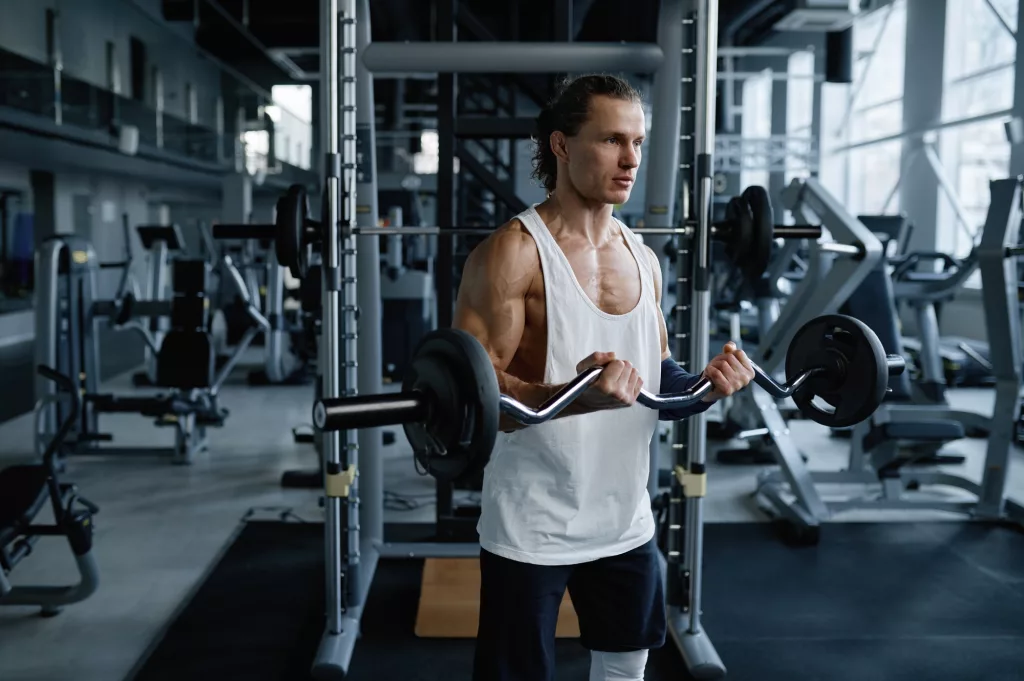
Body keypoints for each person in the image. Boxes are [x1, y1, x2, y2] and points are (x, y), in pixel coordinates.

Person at [453, 74, 755, 681]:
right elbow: (472, 397)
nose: (631, 160)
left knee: (625, 668)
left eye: (638, 142)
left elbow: (654, 382)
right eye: (613, 140)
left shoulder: (644, 257)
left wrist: (705, 388)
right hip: (532, 522)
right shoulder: (513, 253)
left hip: (624, 519)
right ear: (561, 146)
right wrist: (576, 400)